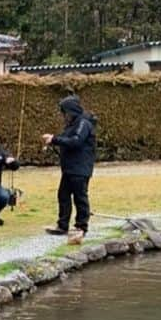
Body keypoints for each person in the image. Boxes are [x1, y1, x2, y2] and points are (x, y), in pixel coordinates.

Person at [42, 95, 97, 237]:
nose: (63, 115)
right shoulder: (73, 124)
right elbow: (68, 140)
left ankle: (81, 227)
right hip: (69, 168)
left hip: (80, 168)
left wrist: (54, 139)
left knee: (80, 197)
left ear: (71, 110)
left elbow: (76, 141)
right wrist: (54, 140)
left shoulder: (83, 123)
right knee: (63, 196)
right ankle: (62, 225)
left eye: (64, 112)